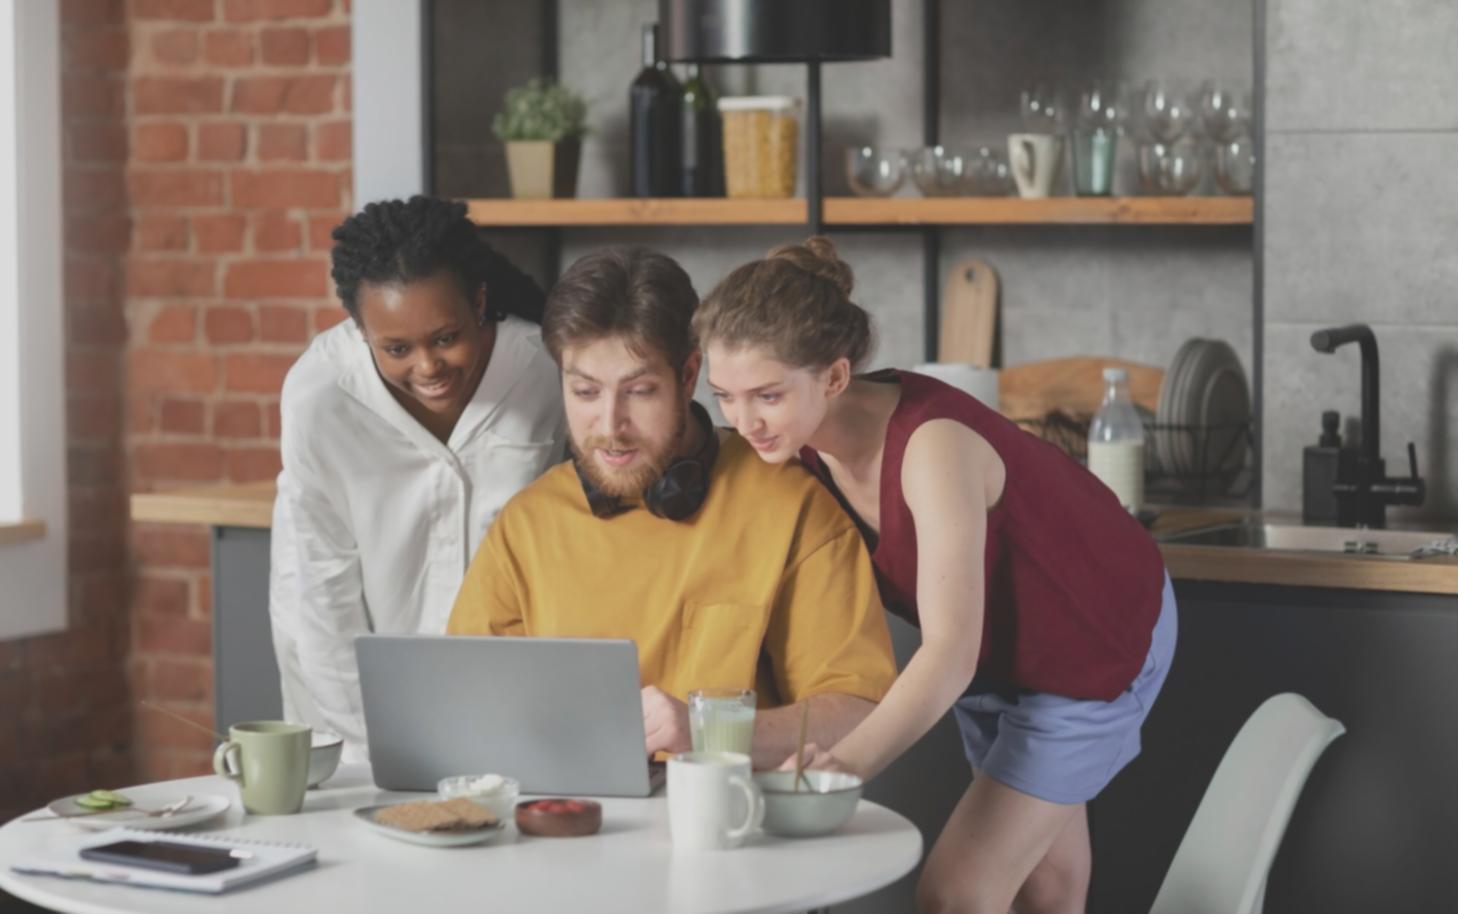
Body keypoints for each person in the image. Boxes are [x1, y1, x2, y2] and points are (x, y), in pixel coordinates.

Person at [694, 236, 1177, 914]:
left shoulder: (932, 448)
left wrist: (845, 765)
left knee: (955, 896)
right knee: (1047, 888)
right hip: (1002, 658)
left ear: (834, 377)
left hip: (1094, 637)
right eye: (725, 396)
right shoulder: (796, 445)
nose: (744, 421)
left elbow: (949, 653)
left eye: (766, 395)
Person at [446, 246, 897, 767]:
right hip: (566, 812)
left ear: (688, 376)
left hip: (731, 813)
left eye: (639, 391)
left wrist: (711, 730)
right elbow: (462, 704)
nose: (610, 425)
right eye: (586, 392)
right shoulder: (526, 524)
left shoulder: (793, 506)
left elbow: (860, 713)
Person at [269, 196, 566, 762]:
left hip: (503, 669)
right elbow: (323, 592)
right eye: (397, 349)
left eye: (446, 338)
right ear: (361, 330)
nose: (428, 367)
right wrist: (369, 749)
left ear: (479, 301)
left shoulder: (542, 372)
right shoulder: (320, 397)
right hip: (343, 663)